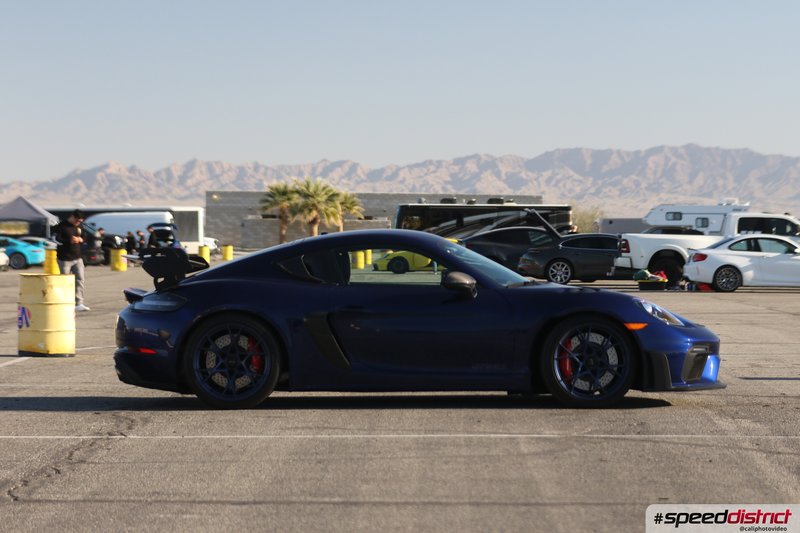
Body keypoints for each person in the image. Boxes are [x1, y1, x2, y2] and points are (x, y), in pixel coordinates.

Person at [55, 209, 90, 311]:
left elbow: (85, 237)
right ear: (73, 217)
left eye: (80, 222)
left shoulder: (79, 226)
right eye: (77, 221)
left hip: (78, 258)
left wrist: (80, 239)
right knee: (64, 281)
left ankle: (79, 303)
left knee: (80, 280)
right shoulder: (61, 226)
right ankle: (64, 302)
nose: (78, 223)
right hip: (64, 259)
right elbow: (57, 239)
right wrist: (68, 241)